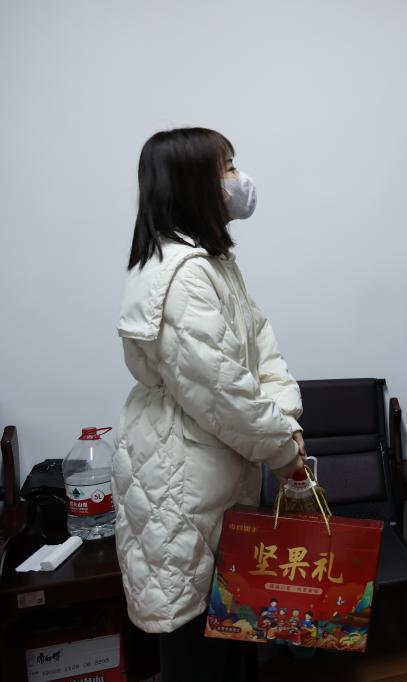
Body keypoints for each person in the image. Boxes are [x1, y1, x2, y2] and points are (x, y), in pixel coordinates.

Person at [113, 128, 306, 681]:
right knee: (198, 644)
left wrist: (285, 420)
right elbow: (225, 393)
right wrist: (283, 450)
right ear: (194, 183)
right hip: (183, 482)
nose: (238, 180)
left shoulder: (211, 262)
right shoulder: (181, 276)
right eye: (227, 168)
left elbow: (260, 346)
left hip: (215, 471)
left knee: (235, 630)